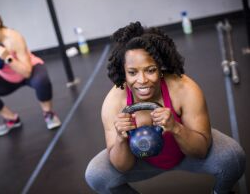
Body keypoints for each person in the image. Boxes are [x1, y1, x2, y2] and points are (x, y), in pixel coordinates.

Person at [85, 21, 246, 194]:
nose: (142, 80)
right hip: (141, 161)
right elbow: (122, 167)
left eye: (150, 70)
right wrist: (121, 139)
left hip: (186, 153)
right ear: (124, 72)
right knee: (96, 174)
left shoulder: (185, 89)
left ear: (160, 68)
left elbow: (200, 151)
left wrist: (176, 127)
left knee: (233, 158)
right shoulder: (114, 103)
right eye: (132, 72)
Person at [0, 6, 61, 137]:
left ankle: (48, 114)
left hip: (28, 70)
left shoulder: (14, 38)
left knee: (41, 81)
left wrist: (7, 58)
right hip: (7, 77)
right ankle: (11, 119)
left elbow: (26, 72)